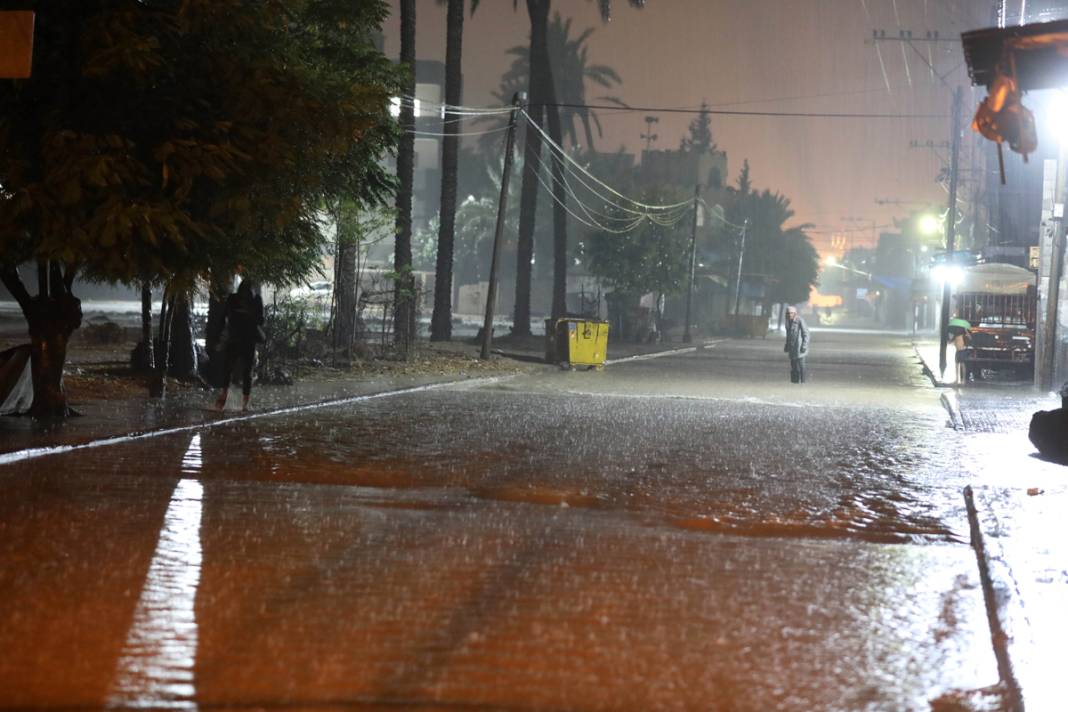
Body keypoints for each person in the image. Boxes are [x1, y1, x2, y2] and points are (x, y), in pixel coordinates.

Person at [214, 279, 264, 411]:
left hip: (241, 339)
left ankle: (238, 400)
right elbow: (260, 320)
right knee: (237, 370)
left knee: (236, 370)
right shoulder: (242, 299)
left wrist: (249, 312)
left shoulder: (251, 300)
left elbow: (260, 319)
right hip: (240, 339)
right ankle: (240, 402)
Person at [783, 305, 809, 384]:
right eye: (788, 313)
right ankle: (795, 382)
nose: (789, 315)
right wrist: (786, 345)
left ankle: (803, 382)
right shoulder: (787, 322)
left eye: (791, 313)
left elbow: (806, 334)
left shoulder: (800, 321)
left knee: (801, 366)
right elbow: (788, 335)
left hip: (800, 348)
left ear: (795, 313)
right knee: (793, 366)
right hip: (792, 348)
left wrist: (804, 346)